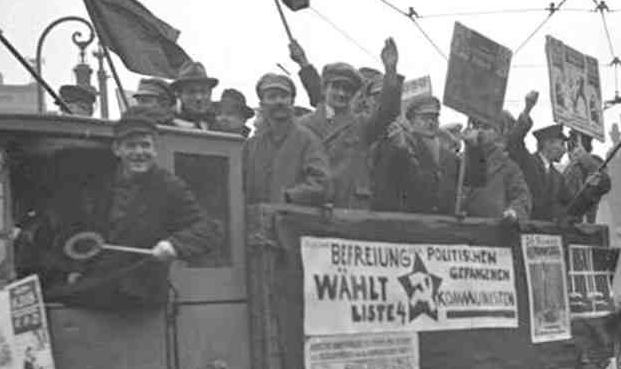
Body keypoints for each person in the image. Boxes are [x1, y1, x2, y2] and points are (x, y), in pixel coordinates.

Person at [46, 108, 221, 308]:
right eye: (131, 146)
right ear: (117, 150)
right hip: (99, 280)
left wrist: (173, 245)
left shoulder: (170, 187)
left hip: (139, 291)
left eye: (145, 145)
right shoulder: (100, 185)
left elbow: (209, 230)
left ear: (155, 150)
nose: (139, 153)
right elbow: (83, 231)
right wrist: (76, 268)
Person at [300, 39, 403, 210]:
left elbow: (388, 112)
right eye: (336, 87)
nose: (342, 93)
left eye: (348, 89)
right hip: (313, 207)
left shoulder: (362, 124)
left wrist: (390, 70)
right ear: (324, 89)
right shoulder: (303, 125)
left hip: (351, 207)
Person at [242, 73, 330, 206]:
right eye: (272, 97)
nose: (279, 101)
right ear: (262, 104)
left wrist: (290, 196)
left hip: (293, 221)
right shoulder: (251, 145)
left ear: (292, 101)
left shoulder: (307, 140)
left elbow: (322, 183)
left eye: (284, 96)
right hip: (255, 221)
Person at [372, 94, 460, 214]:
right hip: (411, 220)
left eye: (434, 118)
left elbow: (469, 181)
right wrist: (401, 148)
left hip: (443, 222)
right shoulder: (401, 146)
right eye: (424, 118)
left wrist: (474, 149)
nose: (430, 123)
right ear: (411, 121)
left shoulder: (448, 155)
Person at [170, 61, 220, 131]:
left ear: (210, 93)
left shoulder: (221, 126)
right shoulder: (168, 124)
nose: (198, 98)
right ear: (179, 95)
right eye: (191, 92)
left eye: (203, 91)